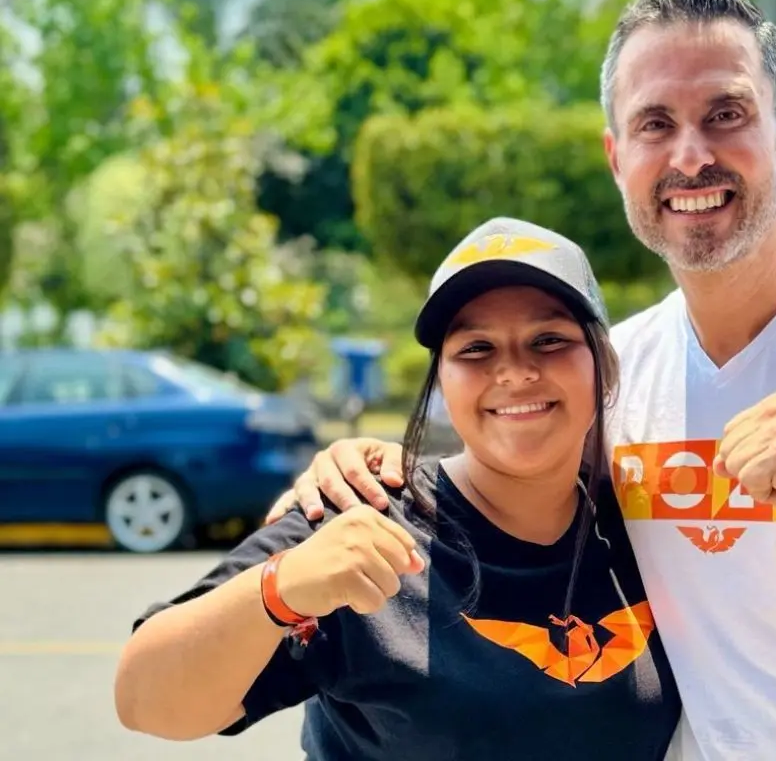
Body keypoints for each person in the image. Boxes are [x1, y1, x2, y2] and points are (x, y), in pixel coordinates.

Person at [266, 0, 776, 761]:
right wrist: (368, 469)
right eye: (655, 124)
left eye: (727, 115)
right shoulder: (611, 370)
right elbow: (502, 484)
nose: (691, 155)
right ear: (616, 158)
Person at [114, 217, 683, 761]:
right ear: (441, 381)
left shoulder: (648, 524)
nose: (514, 371)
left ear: (604, 367)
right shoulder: (356, 522)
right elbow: (145, 701)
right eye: (476, 349)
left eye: (549, 340)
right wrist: (278, 590)